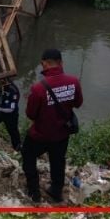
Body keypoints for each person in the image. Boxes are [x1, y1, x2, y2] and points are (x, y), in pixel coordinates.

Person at [22, 49, 83, 204]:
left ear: (44, 64)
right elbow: (78, 103)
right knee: (58, 161)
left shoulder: (38, 88)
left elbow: (30, 114)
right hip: (62, 134)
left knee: (28, 156)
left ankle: (34, 193)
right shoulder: (74, 81)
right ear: (61, 63)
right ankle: (56, 191)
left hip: (40, 135)